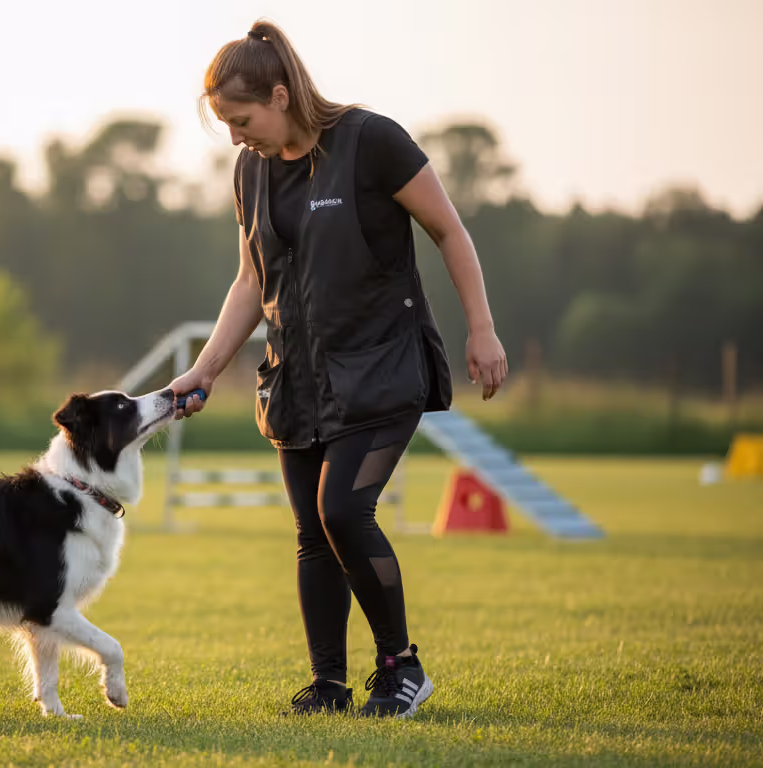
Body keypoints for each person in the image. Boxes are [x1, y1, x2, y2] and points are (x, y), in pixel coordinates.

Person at [167, 19, 508, 719]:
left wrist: (482, 329)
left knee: (343, 510)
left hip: (383, 367)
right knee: (312, 533)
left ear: (282, 95)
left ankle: (401, 669)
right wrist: (204, 370)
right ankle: (328, 683)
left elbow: (449, 229)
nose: (236, 136)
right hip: (297, 378)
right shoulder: (251, 170)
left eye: (241, 119)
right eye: (226, 125)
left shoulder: (371, 141)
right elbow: (248, 281)